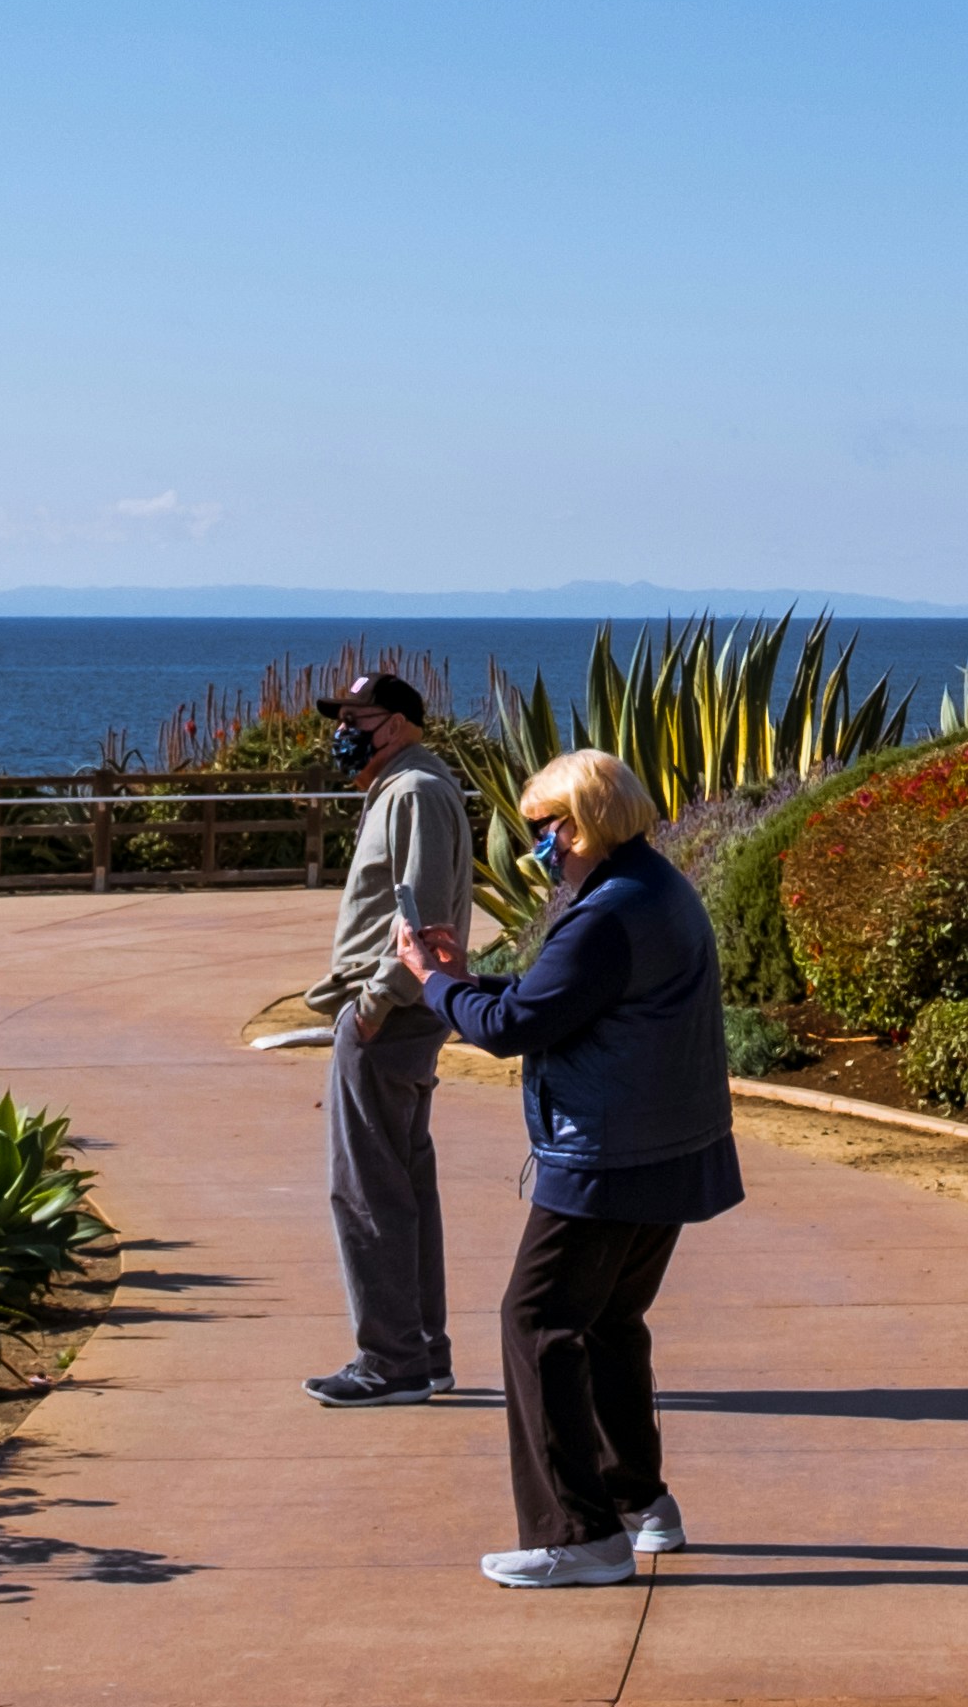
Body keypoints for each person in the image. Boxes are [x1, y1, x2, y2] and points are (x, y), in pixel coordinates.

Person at [394, 746, 738, 1588]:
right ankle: (638, 1502)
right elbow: (559, 993)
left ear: (579, 826)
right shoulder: (654, 888)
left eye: (542, 828)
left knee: (536, 1321)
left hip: (609, 1156)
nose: (534, 844)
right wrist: (467, 979)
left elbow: (514, 1026)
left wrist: (434, 983)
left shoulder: (608, 912)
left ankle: (577, 1533)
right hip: (666, 1149)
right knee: (608, 1322)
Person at [302, 671, 470, 1407]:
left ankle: (391, 1360)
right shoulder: (405, 787)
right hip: (394, 1011)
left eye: (354, 717)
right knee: (400, 1187)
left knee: (367, 1189)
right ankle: (420, 1353)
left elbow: (422, 907)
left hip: (389, 1017)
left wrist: (374, 1003)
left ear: (396, 723)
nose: (342, 731)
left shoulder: (413, 793)